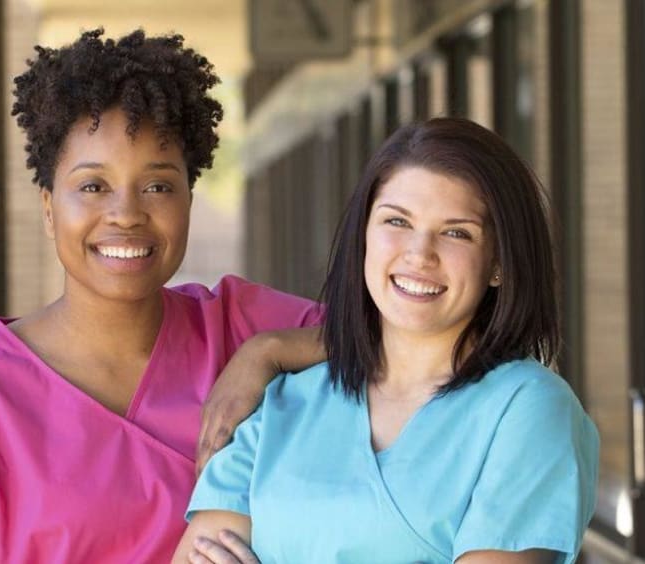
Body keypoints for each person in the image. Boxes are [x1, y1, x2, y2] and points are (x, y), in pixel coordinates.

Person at [0, 29, 325, 563]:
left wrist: (267, 352)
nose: (126, 214)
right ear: (49, 208)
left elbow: (422, 340)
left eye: (158, 186)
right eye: (93, 186)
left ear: (188, 201)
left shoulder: (244, 327)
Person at [175, 117, 600, 564]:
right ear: (364, 236)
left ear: (499, 263)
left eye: (457, 232)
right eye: (397, 221)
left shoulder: (527, 410)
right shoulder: (281, 407)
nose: (419, 253)